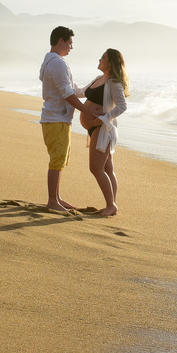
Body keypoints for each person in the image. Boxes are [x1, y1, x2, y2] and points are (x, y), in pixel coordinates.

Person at [39, 26, 100, 213]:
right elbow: (67, 94)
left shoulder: (55, 61)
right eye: (70, 43)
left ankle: (56, 197)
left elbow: (76, 91)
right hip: (55, 119)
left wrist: (97, 82)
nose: (71, 48)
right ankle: (52, 201)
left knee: (60, 159)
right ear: (61, 41)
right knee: (56, 160)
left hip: (58, 119)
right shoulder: (57, 63)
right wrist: (87, 112)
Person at [80, 48, 130, 216]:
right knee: (107, 169)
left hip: (102, 129)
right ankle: (112, 205)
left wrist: (102, 118)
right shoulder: (98, 79)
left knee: (96, 168)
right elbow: (80, 92)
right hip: (95, 128)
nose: (99, 59)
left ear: (111, 63)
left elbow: (122, 106)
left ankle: (111, 205)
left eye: (103, 58)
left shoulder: (114, 83)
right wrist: (64, 83)